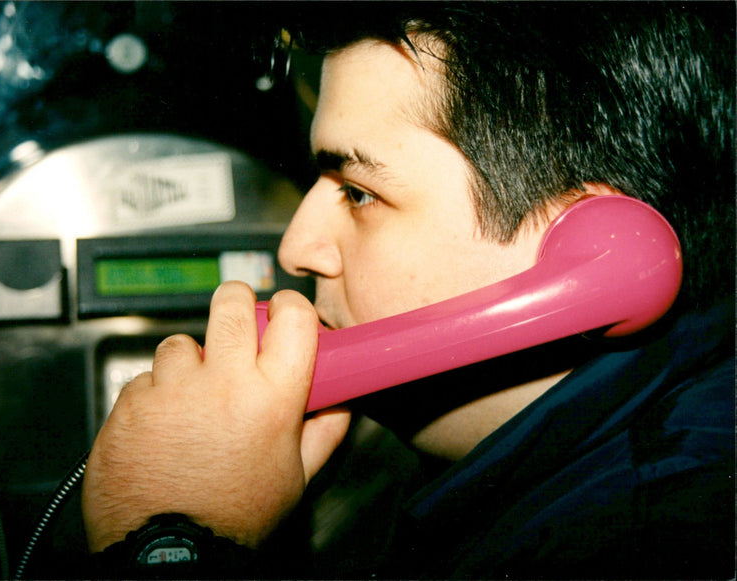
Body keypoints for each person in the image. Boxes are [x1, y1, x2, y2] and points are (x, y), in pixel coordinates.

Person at [81, 3, 735, 578]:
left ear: (596, 259)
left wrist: (172, 542)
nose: (296, 246)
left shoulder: (649, 542)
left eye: (359, 192)